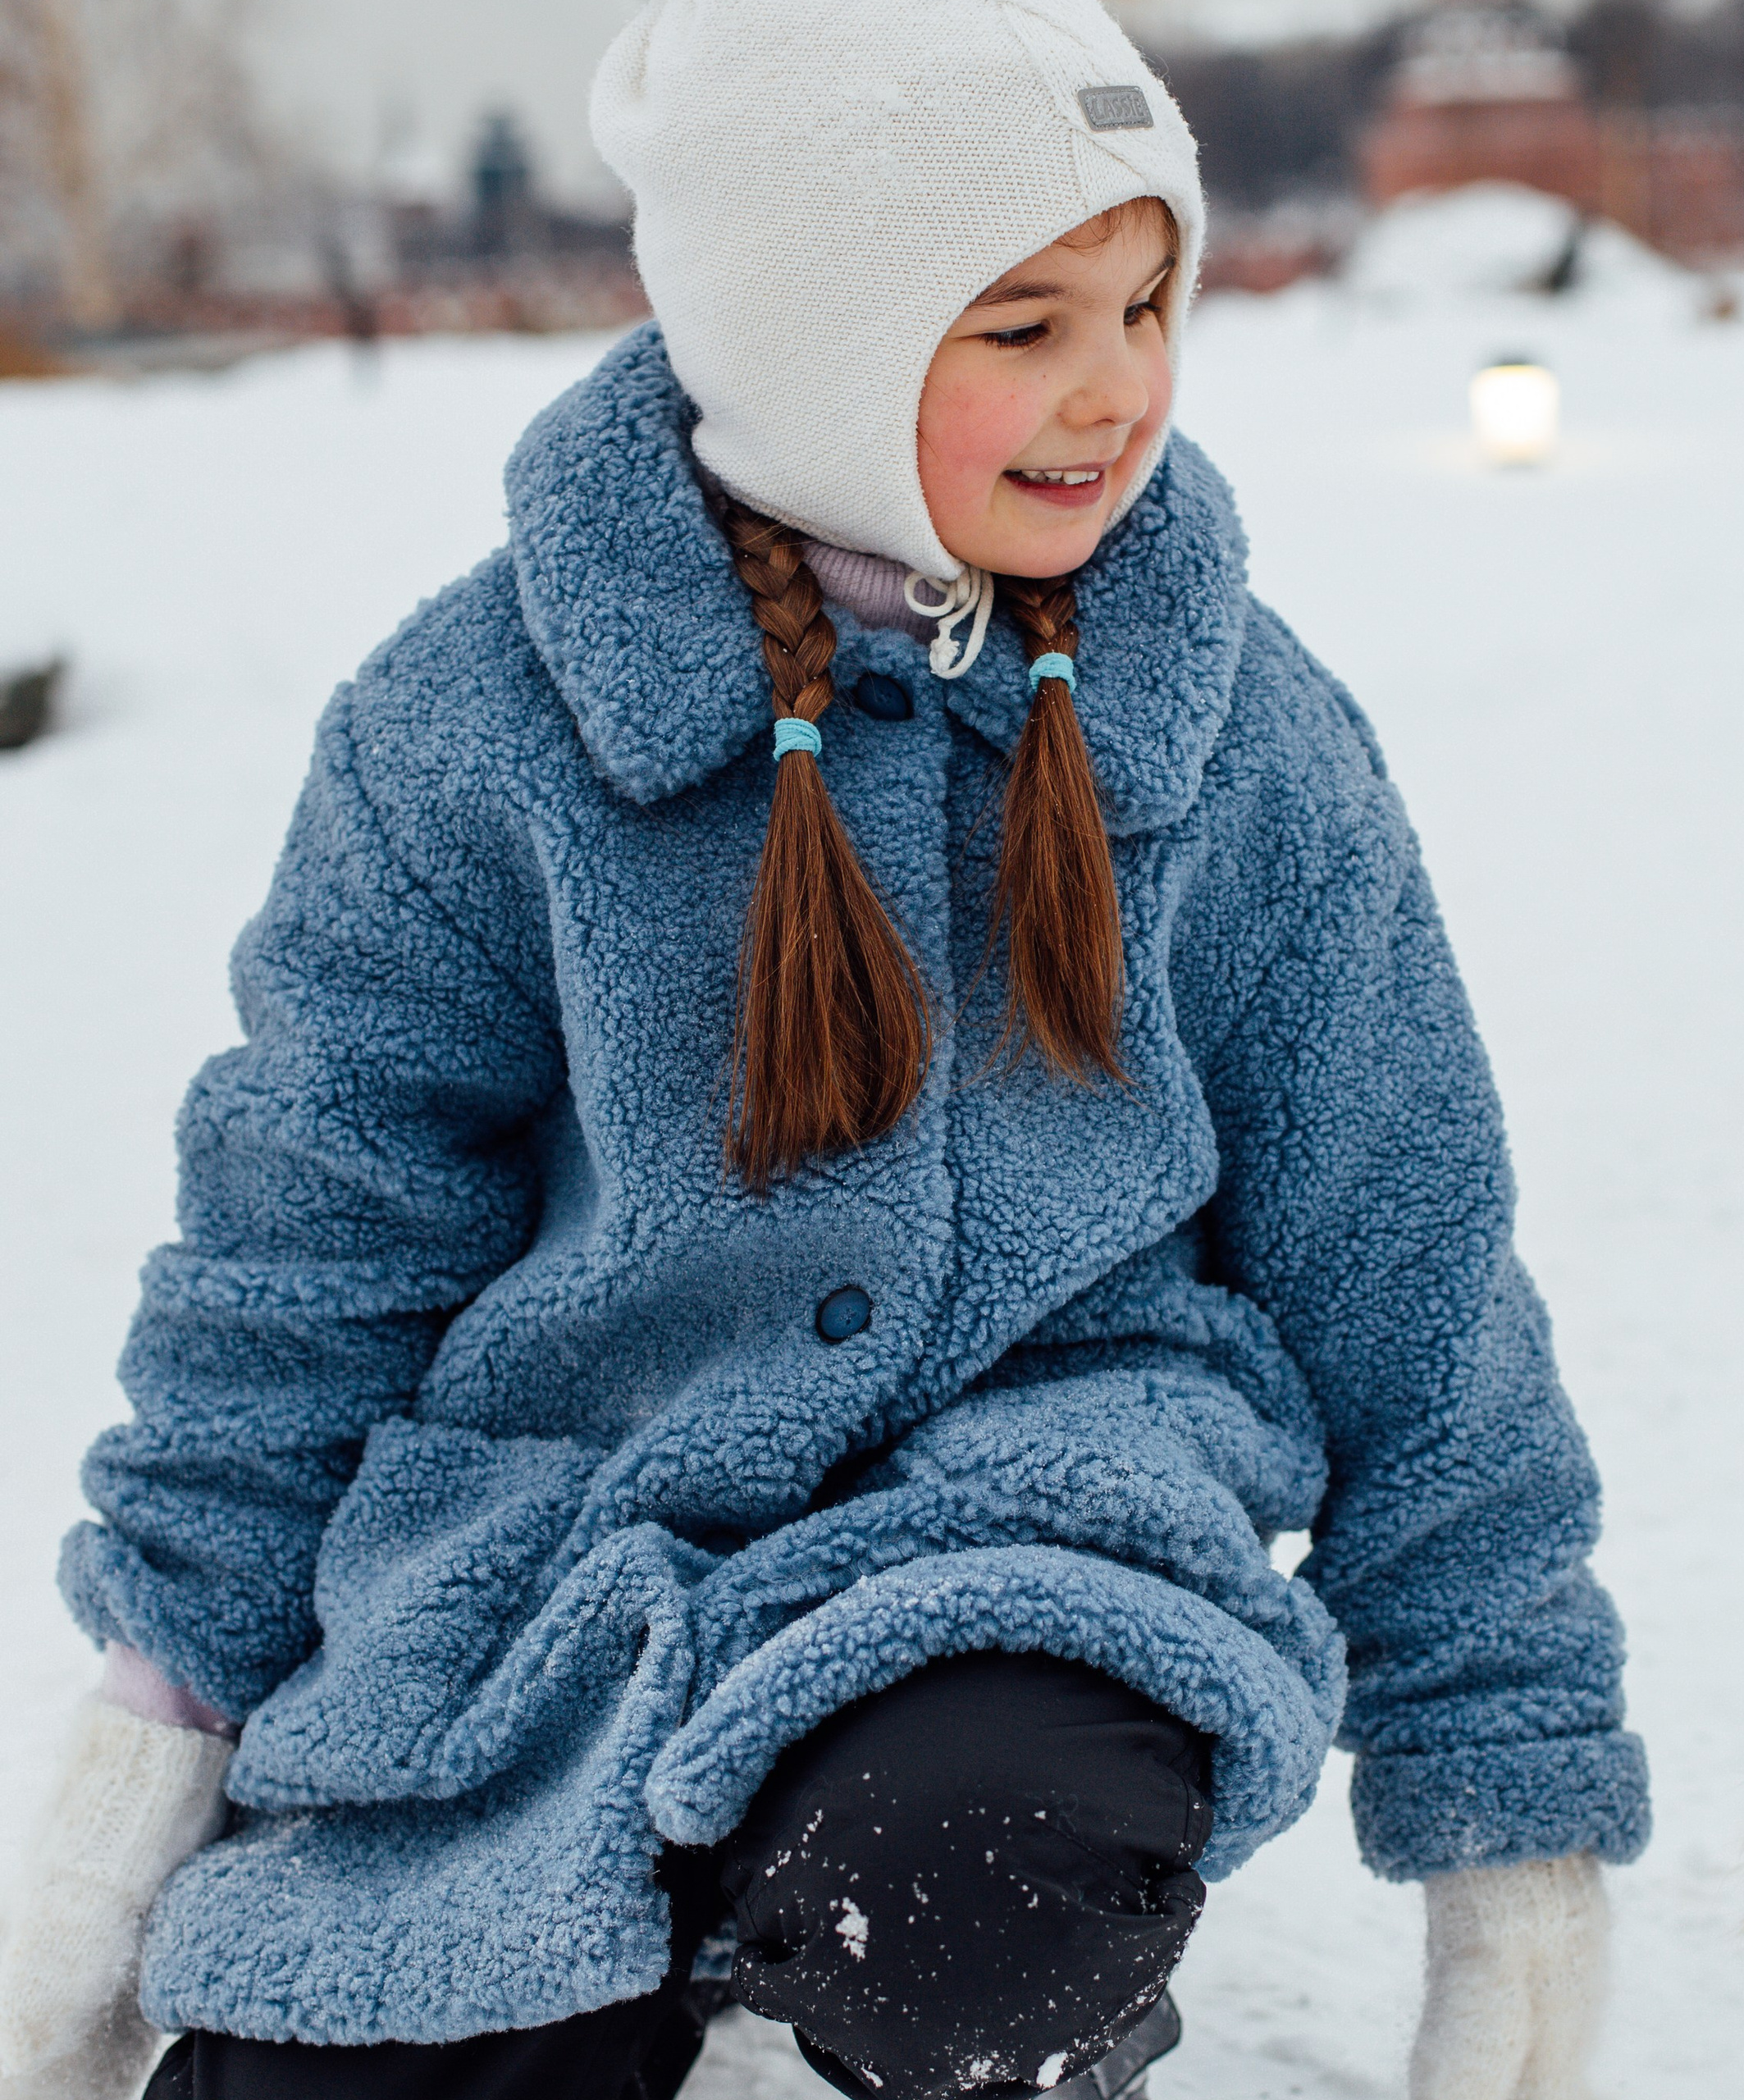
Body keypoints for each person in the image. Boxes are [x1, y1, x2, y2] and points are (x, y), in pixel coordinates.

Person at [0, 2, 1650, 2095]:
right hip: (567, 1575)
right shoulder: (475, 730)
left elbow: (1409, 1264)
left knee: (948, 1889)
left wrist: (1511, 1838)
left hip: (1044, 1548)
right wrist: (144, 1753)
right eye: (1021, 325)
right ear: (809, 345)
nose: (1113, 391)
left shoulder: (1233, 733)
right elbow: (309, 1245)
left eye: (1147, 304)